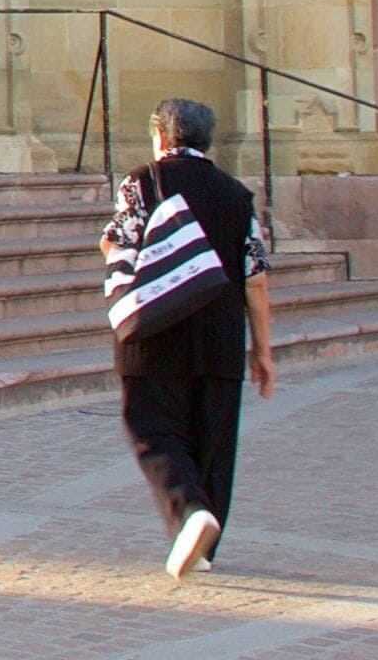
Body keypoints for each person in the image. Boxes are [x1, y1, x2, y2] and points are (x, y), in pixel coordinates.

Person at [104, 96, 275, 580]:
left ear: (161, 135)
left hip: (154, 329)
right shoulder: (236, 194)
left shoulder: (142, 181)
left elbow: (117, 242)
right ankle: (204, 546)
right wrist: (262, 351)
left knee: (152, 427)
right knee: (213, 439)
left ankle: (189, 511)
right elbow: (256, 279)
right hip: (220, 334)